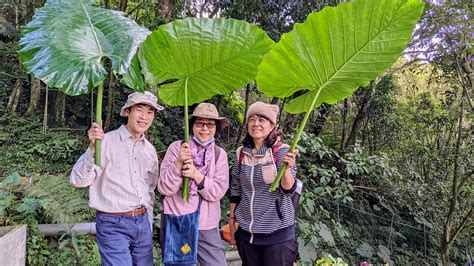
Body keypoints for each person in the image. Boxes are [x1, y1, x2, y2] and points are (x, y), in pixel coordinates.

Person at [70, 91, 164, 266]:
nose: (144, 117)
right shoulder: (105, 141)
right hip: (112, 223)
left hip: (142, 221)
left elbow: (149, 189)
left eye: (150, 112)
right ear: (127, 111)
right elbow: (78, 180)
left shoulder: (150, 151)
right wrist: (92, 149)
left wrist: (148, 223)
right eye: (139, 109)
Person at [158, 102, 229, 266]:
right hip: (178, 221)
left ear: (216, 128)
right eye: (200, 123)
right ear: (192, 126)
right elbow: (164, 187)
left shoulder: (219, 155)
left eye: (210, 124)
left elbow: (218, 191)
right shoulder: (177, 148)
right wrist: (178, 164)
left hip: (206, 224)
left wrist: (196, 175)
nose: (205, 128)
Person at [229, 101, 299, 266]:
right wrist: (232, 219)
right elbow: (236, 189)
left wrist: (287, 168)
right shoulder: (241, 153)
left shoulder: (283, 151)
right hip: (247, 233)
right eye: (252, 119)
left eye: (262, 120)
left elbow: (289, 191)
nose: (256, 124)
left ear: (272, 125)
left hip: (277, 234)